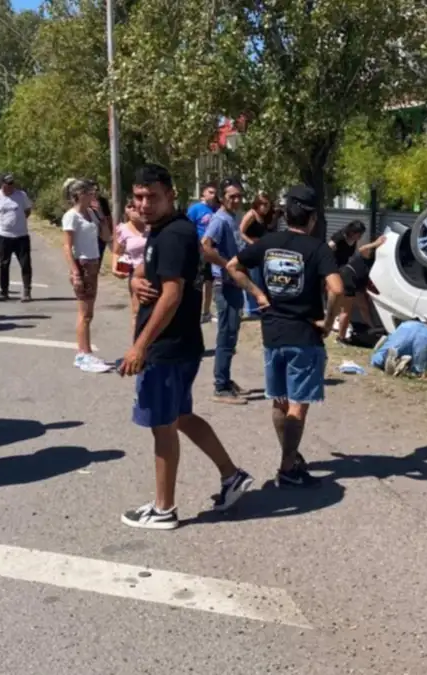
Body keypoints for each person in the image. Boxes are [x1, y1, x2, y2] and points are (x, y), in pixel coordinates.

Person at [118, 163, 252, 529]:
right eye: (139, 197)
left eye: (153, 197)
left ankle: (164, 509)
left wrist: (140, 347)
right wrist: (133, 283)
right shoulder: (163, 232)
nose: (144, 204)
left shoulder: (174, 234)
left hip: (167, 348)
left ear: (170, 195)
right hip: (180, 346)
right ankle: (231, 475)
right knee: (180, 418)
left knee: (162, 426)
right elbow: (151, 276)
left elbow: (173, 295)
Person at [225, 184, 343, 488]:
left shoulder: (268, 242)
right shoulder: (317, 248)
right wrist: (329, 322)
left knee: (279, 401)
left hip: (273, 333)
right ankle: (288, 468)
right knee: (297, 405)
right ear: (313, 217)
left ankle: (290, 458)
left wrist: (258, 294)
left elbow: (232, 266)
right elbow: (338, 288)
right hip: (304, 335)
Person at [200, 180, 247, 403]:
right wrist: (226, 264)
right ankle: (220, 386)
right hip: (224, 285)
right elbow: (206, 246)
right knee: (226, 334)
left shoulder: (231, 218)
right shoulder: (219, 219)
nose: (236, 200)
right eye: (232, 196)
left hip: (235, 284)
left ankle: (226, 379)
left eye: (239, 196)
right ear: (222, 197)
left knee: (232, 333)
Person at [61, 179, 113, 373]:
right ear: (79, 194)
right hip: (82, 264)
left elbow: (106, 237)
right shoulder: (71, 216)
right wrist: (75, 272)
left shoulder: (91, 214)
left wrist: (100, 216)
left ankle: (86, 351)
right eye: (89, 192)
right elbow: (67, 246)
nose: (93, 194)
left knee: (89, 313)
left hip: (94, 262)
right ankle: (83, 354)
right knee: (84, 313)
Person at [329, 221, 386, 343]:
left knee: (363, 305)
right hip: (346, 277)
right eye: (359, 234)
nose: (360, 237)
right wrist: (376, 243)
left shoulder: (379, 263)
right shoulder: (366, 254)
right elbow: (362, 249)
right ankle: (341, 338)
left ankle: (373, 329)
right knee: (346, 311)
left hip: (356, 280)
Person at [0, 174, 34, 302]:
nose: (10, 187)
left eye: (12, 184)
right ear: (2, 184)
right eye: (7, 184)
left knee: (25, 264)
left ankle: (26, 291)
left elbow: (27, 211)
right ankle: (4, 291)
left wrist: (19, 222)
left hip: (21, 236)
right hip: (4, 236)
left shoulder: (21, 195)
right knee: (4, 264)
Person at [111, 203, 148, 334]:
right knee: (137, 311)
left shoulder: (152, 226)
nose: (133, 209)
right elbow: (117, 251)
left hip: (155, 272)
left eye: (134, 206)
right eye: (129, 207)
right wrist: (115, 267)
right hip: (135, 273)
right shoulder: (122, 229)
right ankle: (138, 344)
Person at [239, 192, 275, 319]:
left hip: (260, 250)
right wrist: (251, 243)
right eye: (263, 204)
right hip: (251, 249)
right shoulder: (251, 214)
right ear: (257, 204)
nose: (265, 207)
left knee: (261, 278)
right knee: (253, 279)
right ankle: (253, 310)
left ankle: (261, 307)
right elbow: (241, 231)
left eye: (267, 204)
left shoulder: (264, 217)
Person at [186, 182, 219, 323]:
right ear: (203, 193)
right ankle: (194, 312)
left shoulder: (217, 209)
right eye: (210, 192)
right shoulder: (196, 209)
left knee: (210, 282)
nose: (213, 195)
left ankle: (206, 312)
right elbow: (188, 227)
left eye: (215, 193)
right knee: (197, 282)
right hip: (199, 250)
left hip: (213, 250)